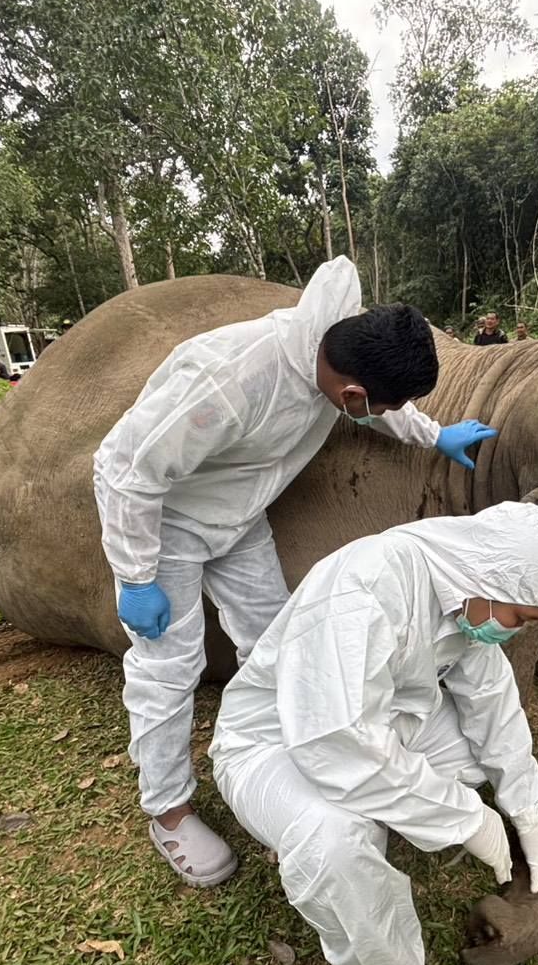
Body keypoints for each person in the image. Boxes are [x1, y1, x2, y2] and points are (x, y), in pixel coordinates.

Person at [93, 257, 499, 888]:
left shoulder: (340, 352)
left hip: (239, 518)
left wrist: (432, 433)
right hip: (167, 524)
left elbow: (379, 407)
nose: (380, 411)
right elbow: (125, 469)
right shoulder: (229, 379)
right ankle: (168, 811)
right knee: (169, 667)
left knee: (277, 639)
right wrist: (137, 573)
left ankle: (287, 756)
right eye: (376, 404)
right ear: (351, 395)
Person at [210, 502, 538, 965]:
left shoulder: (467, 592)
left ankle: (399, 815)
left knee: (472, 755)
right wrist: (466, 818)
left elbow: (492, 702)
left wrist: (527, 814)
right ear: (490, 582)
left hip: (381, 721)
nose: (514, 631)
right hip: (275, 742)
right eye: (518, 618)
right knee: (336, 843)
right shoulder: (363, 591)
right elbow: (335, 744)